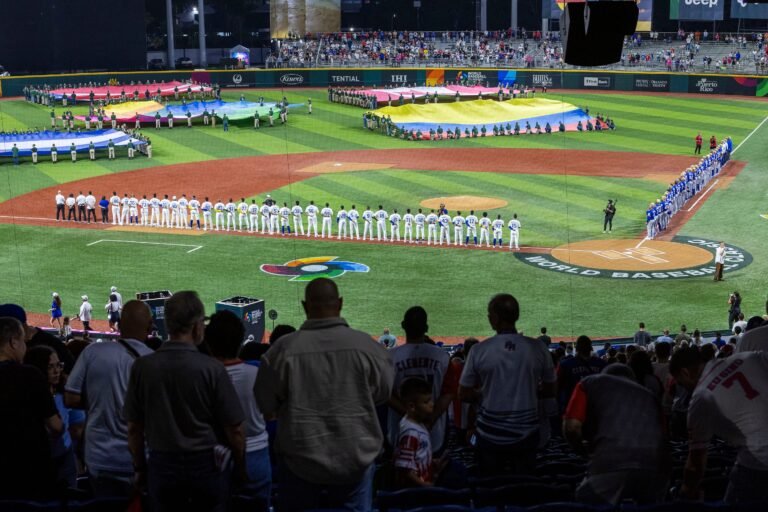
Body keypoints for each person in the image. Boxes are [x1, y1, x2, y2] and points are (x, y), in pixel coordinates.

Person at [255, 278, 393, 512]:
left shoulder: (283, 349)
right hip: (355, 461)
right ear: (340, 303)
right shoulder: (368, 347)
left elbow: (265, 403)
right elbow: (382, 394)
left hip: (299, 462)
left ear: (305, 306)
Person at [125, 291, 246, 512]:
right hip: (205, 468)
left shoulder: (143, 367)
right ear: (197, 327)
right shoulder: (212, 369)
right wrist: (240, 468)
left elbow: (133, 428)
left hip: (161, 465)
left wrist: (140, 468)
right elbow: (235, 429)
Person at [64, 300, 154, 498]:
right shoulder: (155, 361)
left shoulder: (93, 352)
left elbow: (70, 398)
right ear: (150, 326)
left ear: (119, 325)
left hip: (99, 458)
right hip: (140, 459)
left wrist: (99, 400)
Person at [459, 294, 556, 476]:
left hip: (489, 435)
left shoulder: (479, 350)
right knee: (525, 490)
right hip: (527, 433)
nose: (488, 317)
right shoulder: (538, 348)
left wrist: (486, 393)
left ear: (495, 317)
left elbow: (463, 393)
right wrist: (527, 392)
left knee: (491, 488)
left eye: (489, 314)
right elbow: (551, 390)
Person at [671, 347, 768, 503]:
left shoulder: (700, 398)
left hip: (758, 462)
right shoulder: (750, 357)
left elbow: (696, 461)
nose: (684, 388)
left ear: (685, 373)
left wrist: (687, 493)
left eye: (681, 384)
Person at [563, 364, 669, 505]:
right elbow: (665, 437)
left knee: (585, 500)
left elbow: (571, 428)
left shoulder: (589, 383)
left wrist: (583, 451)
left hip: (611, 464)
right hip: (657, 468)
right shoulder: (651, 397)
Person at [205, 311, 272, 505]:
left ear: (208, 343)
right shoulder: (257, 374)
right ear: (241, 340)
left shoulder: (202, 378)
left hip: (215, 459)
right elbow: (270, 414)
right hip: (256, 457)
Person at [0, 317, 63, 499]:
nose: (25, 347)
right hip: (32, 470)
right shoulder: (30, 374)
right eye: (23, 341)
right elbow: (56, 426)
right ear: (13, 342)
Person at [388, 306, 459, 455]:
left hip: (401, 430)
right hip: (433, 432)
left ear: (403, 326)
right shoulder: (443, 357)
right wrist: (429, 419)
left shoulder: (388, 357)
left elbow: (385, 393)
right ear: (426, 328)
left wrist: (411, 415)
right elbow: (449, 393)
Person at [24, 345, 85, 489]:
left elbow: (77, 429)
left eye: (59, 365)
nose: (57, 371)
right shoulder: (29, 396)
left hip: (65, 457)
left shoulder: (65, 394)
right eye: (51, 367)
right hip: (38, 459)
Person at [393, 378, 449, 488]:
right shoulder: (410, 433)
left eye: (431, 400)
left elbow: (416, 456)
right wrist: (424, 485)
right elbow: (405, 469)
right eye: (426, 402)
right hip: (415, 491)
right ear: (412, 406)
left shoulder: (417, 424)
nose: (432, 404)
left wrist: (431, 462)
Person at [557, 335, 606, 413]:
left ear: (576, 349)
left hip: (572, 409)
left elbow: (557, 387)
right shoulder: (602, 364)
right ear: (590, 348)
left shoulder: (565, 365)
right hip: (595, 409)